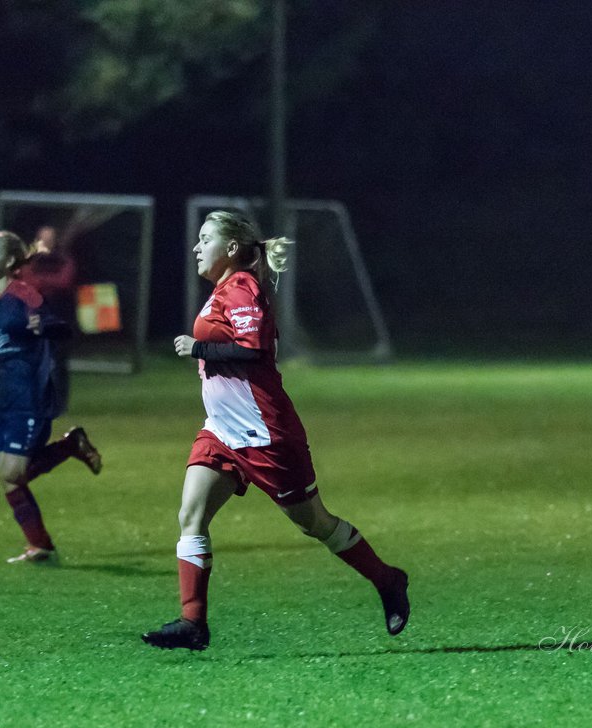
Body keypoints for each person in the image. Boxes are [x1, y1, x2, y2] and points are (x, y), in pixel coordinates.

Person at [141, 211, 410, 650]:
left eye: (205, 239)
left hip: (265, 432)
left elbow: (253, 349)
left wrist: (198, 348)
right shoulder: (222, 291)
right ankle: (193, 623)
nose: (196, 247)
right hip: (223, 431)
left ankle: (387, 579)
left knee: (315, 523)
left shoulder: (242, 287)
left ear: (230, 249)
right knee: (191, 515)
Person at [0, 231, 104, 564]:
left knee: (13, 472)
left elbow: (63, 328)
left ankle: (69, 447)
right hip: (6, 398)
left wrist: (43, 327)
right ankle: (40, 545)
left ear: (10, 261)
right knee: (6, 476)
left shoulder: (26, 295)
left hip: (32, 394)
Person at [24, 225, 77, 410]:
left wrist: (43, 282)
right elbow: (28, 282)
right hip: (37, 315)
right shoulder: (30, 261)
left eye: (49, 239)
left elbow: (64, 280)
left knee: (60, 359)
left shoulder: (63, 260)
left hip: (60, 315)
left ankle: (60, 402)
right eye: (42, 239)